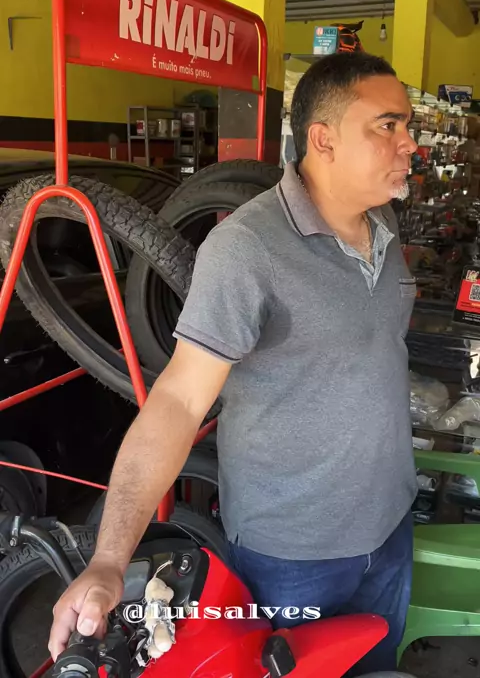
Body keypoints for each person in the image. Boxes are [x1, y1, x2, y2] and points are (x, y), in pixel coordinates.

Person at [48, 51, 418, 674]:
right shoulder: (248, 249)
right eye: (388, 125)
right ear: (324, 139)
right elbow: (177, 402)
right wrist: (109, 559)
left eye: (407, 125)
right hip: (296, 557)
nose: (409, 143)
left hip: (390, 527)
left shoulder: (382, 224)